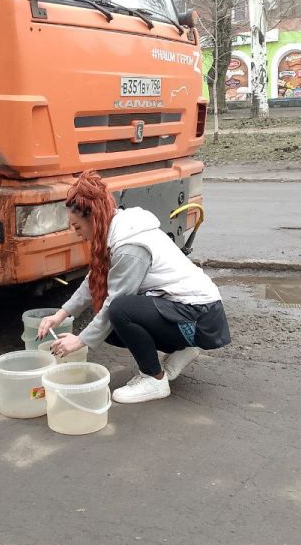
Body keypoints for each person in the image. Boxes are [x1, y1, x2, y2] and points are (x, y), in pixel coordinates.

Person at [38, 171, 231, 404]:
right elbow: (94, 280)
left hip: (201, 319)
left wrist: (79, 340)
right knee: (110, 324)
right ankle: (182, 349)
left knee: (120, 310)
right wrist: (60, 315)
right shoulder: (117, 230)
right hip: (191, 313)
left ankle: (154, 379)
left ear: (95, 218)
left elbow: (114, 303)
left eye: (77, 226)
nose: (77, 234)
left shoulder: (129, 247)